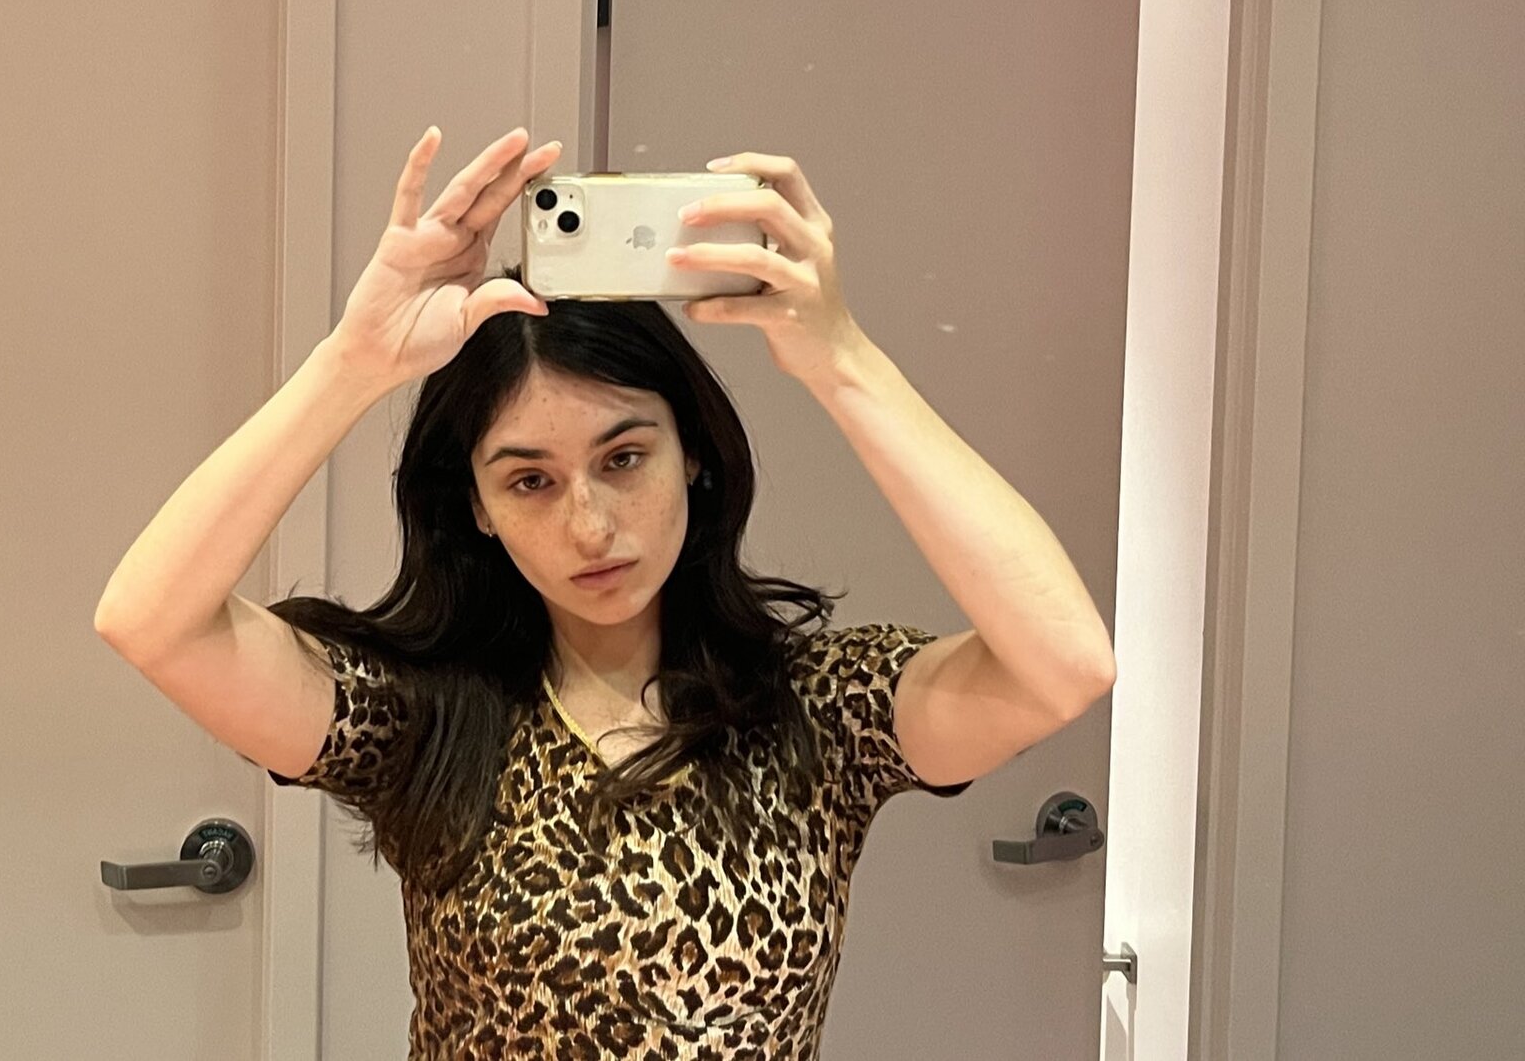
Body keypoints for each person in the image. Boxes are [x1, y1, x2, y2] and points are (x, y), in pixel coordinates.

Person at [95, 124, 1116, 1058]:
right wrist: (351, 364)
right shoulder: (423, 715)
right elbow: (151, 620)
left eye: (624, 458)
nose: (589, 524)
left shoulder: (811, 708)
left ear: (693, 454)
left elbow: (1064, 664)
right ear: (478, 506)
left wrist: (842, 358)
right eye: (529, 480)